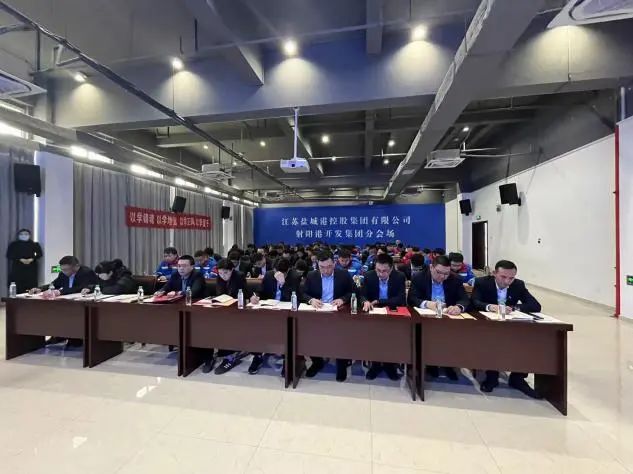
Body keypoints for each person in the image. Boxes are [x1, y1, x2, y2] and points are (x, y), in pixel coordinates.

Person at [472, 260, 543, 398]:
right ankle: (492, 376)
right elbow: (475, 302)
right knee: (493, 340)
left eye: (511, 278)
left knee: (529, 341)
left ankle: (518, 378)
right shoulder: (482, 283)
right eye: (503, 277)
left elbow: (535, 305)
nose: (507, 281)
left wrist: (514, 307)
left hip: (511, 325)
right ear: (494, 273)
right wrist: (491, 307)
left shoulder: (518, 285)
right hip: (488, 325)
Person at [408, 255, 470, 380]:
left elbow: (464, 299)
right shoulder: (419, 277)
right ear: (431, 267)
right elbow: (412, 298)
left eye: (446, 274)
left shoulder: (455, 279)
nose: (442, 277)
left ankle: (448, 365)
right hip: (426, 320)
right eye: (439, 272)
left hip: (448, 319)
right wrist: (427, 304)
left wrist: (459, 307)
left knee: (453, 338)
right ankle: (430, 364)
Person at [301, 250, 354, 382]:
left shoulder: (343, 274)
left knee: (342, 336)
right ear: (317, 265)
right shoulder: (311, 275)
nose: (326, 270)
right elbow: (303, 293)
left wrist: (342, 299)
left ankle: (341, 364)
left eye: (329, 267)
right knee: (306, 334)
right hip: (318, 313)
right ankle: (317, 361)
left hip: (338, 313)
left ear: (334, 263)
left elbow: (353, 292)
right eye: (322, 267)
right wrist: (311, 300)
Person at [248, 258, 301, 375]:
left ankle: (287, 358)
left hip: (286, 312)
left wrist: (283, 283)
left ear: (288, 270)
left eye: (283, 273)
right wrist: (255, 296)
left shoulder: (295, 276)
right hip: (269, 309)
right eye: (276, 272)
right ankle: (257, 355)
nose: (277, 275)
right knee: (255, 326)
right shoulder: (269, 274)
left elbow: (295, 298)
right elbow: (260, 291)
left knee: (288, 329)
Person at [360, 253, 406, 381]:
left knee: (391, 338)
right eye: (378, 270)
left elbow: (400, 298)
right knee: (373, 337)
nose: (380, 274)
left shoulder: (399, 276)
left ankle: (390, 365)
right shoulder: (369, 275)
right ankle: (375, 365)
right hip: (374, 312)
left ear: (391, 269)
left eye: (384, 271)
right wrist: (365, 301)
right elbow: (362, 294)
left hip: (392, 311)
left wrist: (380, 301)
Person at [202, 258, 251, 375]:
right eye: (220, 272)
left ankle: (230, 355)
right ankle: (210, 356)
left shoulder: (239, 276)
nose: (223, 275)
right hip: (223, 309)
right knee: (207, 324)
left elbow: (243, 294)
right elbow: (220, 294)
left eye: (226, 272)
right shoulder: (219, 278)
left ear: (232, 270)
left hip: (237, 310)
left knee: (227, 325)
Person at [33, 255, 98, 296]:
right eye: (62, 269)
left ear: (76, 266)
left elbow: (78, 288)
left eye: (66, 269)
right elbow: (54, 284)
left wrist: (60, 292)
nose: (64, 272)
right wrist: (40, 289)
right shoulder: (62, 274)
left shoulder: (86, 272)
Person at [6, 228, 43, 294]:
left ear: (29, 235)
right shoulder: (13, 244)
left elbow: (40, 254)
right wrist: (20, 259)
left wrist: (32, 259)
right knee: (18, 285)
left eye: (26, 234)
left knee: (31, 285)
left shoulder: (34, 244)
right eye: (22, 234)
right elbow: (9, 255)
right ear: (18, 235)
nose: (24, 235)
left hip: (31, 268)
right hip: (18, 267)